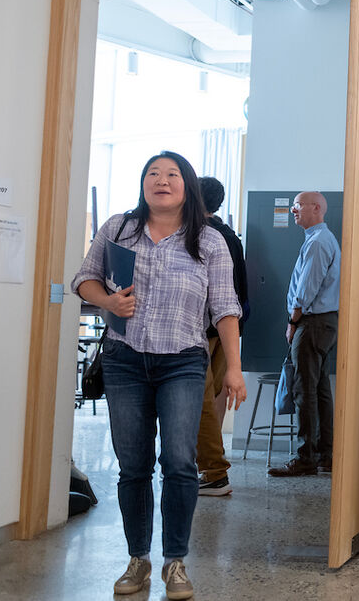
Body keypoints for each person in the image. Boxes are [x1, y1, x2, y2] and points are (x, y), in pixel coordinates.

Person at [71, 152, 245, 599]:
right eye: (153, 174)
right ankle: (137, 560)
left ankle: (175, 562)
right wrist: (108, 303)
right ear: (143, 183)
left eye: (171, 175)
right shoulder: (118, 228)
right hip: (124, 359)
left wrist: (234, 371)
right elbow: (84, 280)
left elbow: (226, 309)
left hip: (183, 361)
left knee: (180, 464)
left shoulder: (208, 240)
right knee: (133, 467)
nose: (161, 181)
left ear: (187, 186)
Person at [268, 192, 340, 476]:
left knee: (304, 390)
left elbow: (306, 290)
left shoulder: (319, 242)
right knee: (319, 388)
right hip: (323, 323)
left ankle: (305, 456)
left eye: (297, 206)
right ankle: (324, 454)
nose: (293, 210)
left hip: (312, 323)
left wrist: (293, 322)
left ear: (316, 208)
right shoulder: (320, 239)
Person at [196, 177, 249, 497]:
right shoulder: (230, 234)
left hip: (205, 328)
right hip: (226, 327)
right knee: (211, 399)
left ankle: (214, 472)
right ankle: (203, 467)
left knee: (200, 401)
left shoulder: (206, 236)